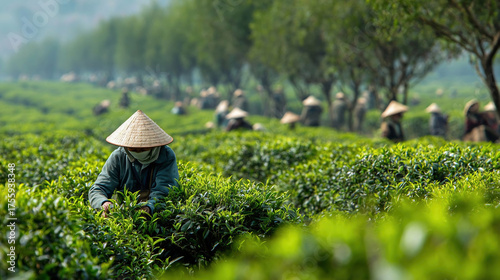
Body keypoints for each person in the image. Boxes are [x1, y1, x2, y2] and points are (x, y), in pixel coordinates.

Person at [89, 110, 179, 217]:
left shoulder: (165, 155)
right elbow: (99, 188)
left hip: (156, 215)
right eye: (133, 148)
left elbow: (164, 189)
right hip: (123, 213)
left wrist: (149, 207)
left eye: (143, 148)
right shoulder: (118, 157)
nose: (138, 151)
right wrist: (103, 202)